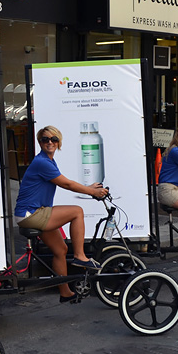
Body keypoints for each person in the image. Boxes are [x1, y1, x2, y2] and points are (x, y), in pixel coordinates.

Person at [14, 125, 108, 303]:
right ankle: (80, 256)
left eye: (53, 139)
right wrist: (92, 192)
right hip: (30, 214)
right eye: (45, 139)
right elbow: (68, 185)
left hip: (32, 213)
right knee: (77, 212)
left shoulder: (48, 161)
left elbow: (67, 181)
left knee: (61, 249)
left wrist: (89, 188)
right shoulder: (42, 162)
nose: (50, 142)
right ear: (40, 142)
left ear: (59, 142)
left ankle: (65, 292)